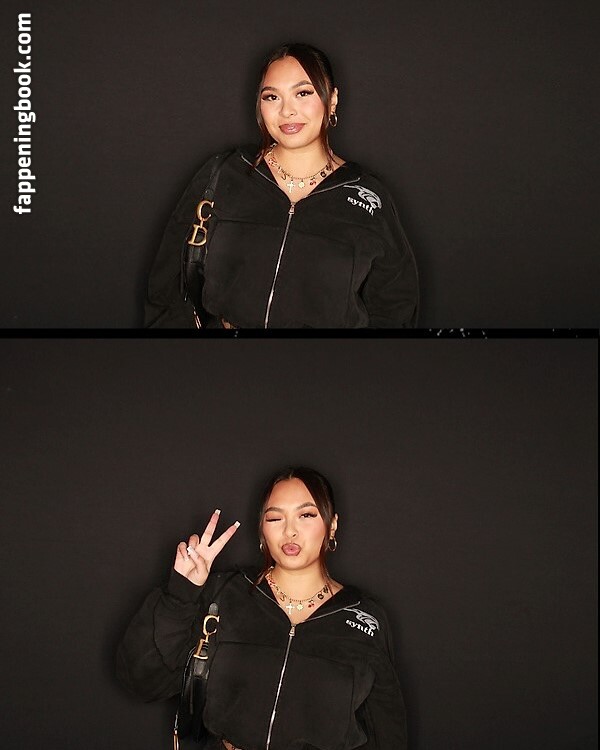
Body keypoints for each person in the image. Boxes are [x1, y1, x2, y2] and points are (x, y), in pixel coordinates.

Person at [116, 467, 407, 749]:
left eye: (306, 515)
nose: (290, 531)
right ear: (262, 529)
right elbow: (143, 681)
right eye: (275, 518)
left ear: (331, 525)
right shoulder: (224, 594)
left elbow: (386, 732)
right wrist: (181, 593)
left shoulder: (365, 618)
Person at [145, 43, 419, 329]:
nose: (287, 110)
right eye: (272, 97)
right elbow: (167, 285)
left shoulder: (368, 196)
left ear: (332, 99)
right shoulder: (225, 172)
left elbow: (395, 306)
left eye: (303, 93)